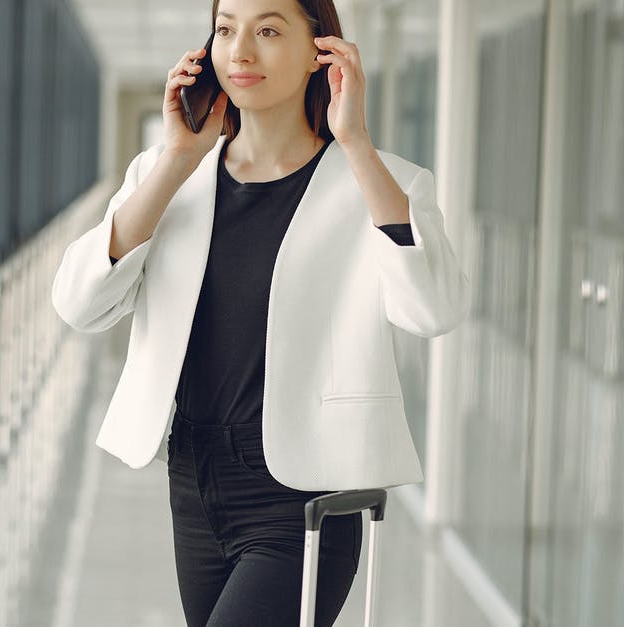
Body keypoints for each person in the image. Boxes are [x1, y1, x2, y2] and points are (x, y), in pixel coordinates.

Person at [51, 0, 470, 624]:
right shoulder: (168, 176)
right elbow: (81, 305)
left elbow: (433, 309)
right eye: (225, 30)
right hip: (194, 478)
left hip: (304, 491)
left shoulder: (386, 184)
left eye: (269, 31)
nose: (240, 51)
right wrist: (174, 160)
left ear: (320, 52)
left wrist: (354, 141)